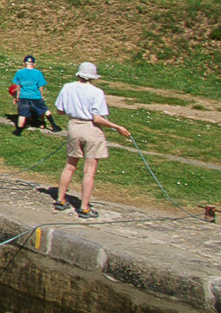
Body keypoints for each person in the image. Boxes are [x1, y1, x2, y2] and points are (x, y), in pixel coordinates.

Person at [53, 62, 131, 219]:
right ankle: (84, 208)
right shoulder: (96, 92)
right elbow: (97, 118)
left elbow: (60, 110)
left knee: (70, 166)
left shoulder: (67, 87)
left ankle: (60, 200)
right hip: (91, 128)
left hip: (74, 125)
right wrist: (117, 127)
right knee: (89, 171)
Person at [11, 54, 62, 135]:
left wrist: (17, 96)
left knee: (22, 113)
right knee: (45, 110)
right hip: (35, 96)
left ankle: (19, 130)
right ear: (34, 64)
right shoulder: (38, 73)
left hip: (24, 96)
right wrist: (41, 95)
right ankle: (54, 126)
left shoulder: (19, 72)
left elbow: (18, 86)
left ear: (24, 63)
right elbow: (40, 86)